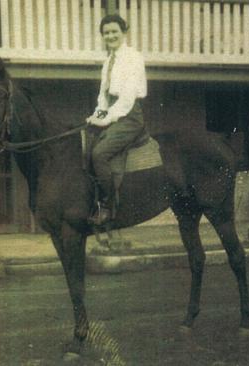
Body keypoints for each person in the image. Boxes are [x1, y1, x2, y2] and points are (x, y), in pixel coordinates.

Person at [86, 14, 147, 225]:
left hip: (129, 116)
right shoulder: (108, 62)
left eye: (114, 31)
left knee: (100, 153)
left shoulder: (133, 57)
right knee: (84, 143)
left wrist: (107, 118)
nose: (110, 36)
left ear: (124, 33)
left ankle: (108, 207)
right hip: (113, 114)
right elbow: (103, 96)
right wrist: (98, 114)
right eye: (106, 33)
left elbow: (128, 97)